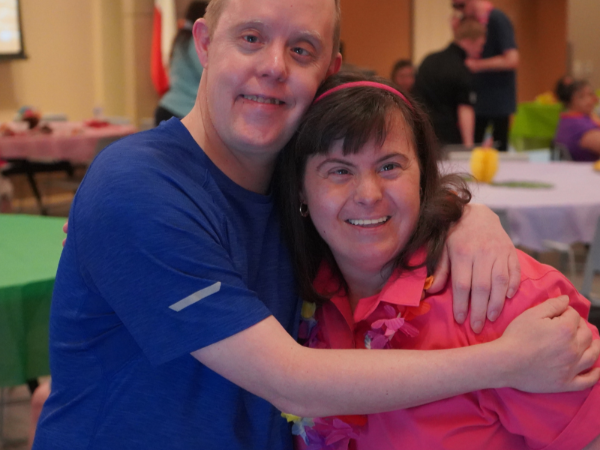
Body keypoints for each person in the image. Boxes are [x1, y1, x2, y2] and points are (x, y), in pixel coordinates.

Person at [33, 0, 600, 449]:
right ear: (204, 43)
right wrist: (507, 362)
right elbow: (290, 380)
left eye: (301, 49)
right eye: (250, 37)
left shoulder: (294, 191)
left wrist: (465, 216)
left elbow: (372, 192)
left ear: (328, 71)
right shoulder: (139, 187)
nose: (274, 66)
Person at [277, 72, 600, 450]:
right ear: (300, 188)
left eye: (389, 166)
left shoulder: (497, 294)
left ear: (422, 177)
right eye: (339, 171)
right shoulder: (288, 296)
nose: (368, 194)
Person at [453, 0, 518, 151]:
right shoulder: (472, 21)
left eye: (461, 5)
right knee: (472, 149)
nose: (458, 11)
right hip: (478, 100)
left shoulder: (497, 19)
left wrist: (477, 65)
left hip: (497, 100)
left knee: (498, 151)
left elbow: (512, 59)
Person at [413, 17, 485, 148]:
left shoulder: (428, 60)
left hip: (423, 135)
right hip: (449, 138)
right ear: (468, 41)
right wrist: (468, 147)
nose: (480, 50)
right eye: (480, 45)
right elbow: (465, 109)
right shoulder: (461, 69)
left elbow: (416, 98)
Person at [154, 1, 208, 125]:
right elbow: (206, 73)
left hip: (167, 107)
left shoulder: (181, 39)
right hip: (181, 111)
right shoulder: (195, 43)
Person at [554, 77, 600, 161]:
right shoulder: (577, 125)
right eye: (581, 97)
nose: (589, 100)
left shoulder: (568, 119)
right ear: (569, 100)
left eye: (590, 95)